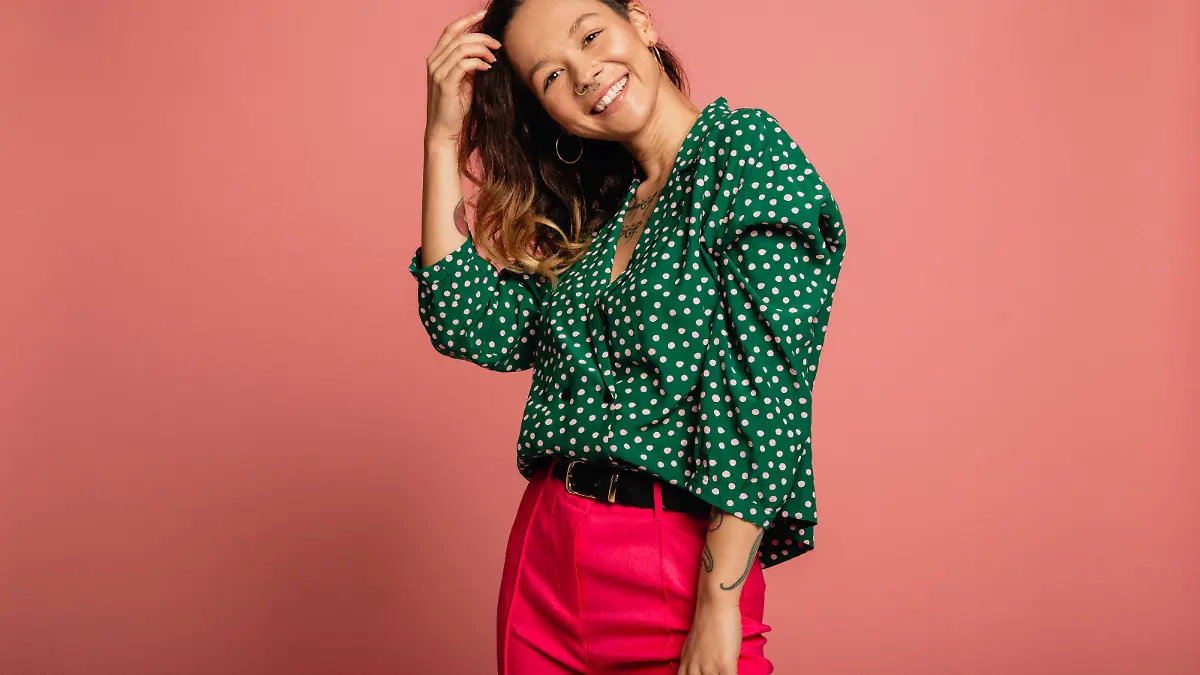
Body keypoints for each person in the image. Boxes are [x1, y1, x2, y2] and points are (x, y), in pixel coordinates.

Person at [410, 1, 847, 673]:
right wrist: (441, 139)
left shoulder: (743, 151)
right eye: (551, 76)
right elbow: (465, 320)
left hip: (675, 559)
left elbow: (765, 389)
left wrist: (718, 604)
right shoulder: (601, 212)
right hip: (545, 556)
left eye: (591, 35)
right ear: (550, 113)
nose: (584, 73)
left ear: (639, 23)